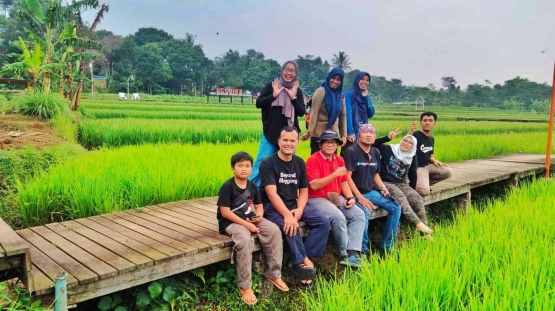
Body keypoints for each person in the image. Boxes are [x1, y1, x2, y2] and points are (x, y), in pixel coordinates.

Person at [260, 126, 330, 289]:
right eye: (285, 140)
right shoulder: (268, 164)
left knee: (323, 222)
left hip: (293, 204)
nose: (288, 143)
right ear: (279, 141)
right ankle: (304, 264)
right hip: (273, 207)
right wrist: (288, 216)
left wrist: (298, 210)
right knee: (291, 227)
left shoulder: (299, 163)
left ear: (298, 142)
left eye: (292, 140)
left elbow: (304, 191)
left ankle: (299, 258)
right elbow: (271, 194)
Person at [217, 152, 289, 306]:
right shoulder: (227, 186)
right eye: (240, 166)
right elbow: (225, 212)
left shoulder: (253, 186)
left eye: (247, 166)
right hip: (230, 222)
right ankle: (245, 286)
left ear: (251, 168)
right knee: (244, 239)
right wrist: (247, 225)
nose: (244, 169)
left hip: (250, 218)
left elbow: (259, 205)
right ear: (233, 168)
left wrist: (260, 216)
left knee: (274, 230)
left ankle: (274, 273)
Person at [305, 130, 366, 267]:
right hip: (316, 198)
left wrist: (350, 197)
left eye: (333, 142)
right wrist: (334, 174)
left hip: (336, 196)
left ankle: (353, 251)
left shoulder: (339, 160)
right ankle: (344, 254)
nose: (330, 145)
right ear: (320, 145)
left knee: (359, 214)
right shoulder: (313, 160)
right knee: (337, 216)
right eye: (326, 142)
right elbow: (314, 186)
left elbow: (344, 182)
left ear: (337, 145)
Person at [344, 124, 401, 255]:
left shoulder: (375, 152)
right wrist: (359, 198)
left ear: (375, 136)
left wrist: (383, 188)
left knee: (396, 207)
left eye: (372, 133)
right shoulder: (351, 152)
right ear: (359, 135)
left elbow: (376, 174)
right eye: (365, 132)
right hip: (355, 193)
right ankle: (363, 249)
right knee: (365, 213)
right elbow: (347, 178)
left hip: (370, 192)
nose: (369, 135)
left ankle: (387, 246)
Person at [250, 61, 306, 186]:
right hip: (270, 132)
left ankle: (285, 193)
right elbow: (259, 103)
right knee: (261, 162)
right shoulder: (271, 86)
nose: (289, 73)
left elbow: (301, 112)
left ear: (296, 73)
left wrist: (293, 98)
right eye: (286, 69)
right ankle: (248, 192)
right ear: (282, 70)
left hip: (289, 136)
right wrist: (274, 95)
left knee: (287, 165)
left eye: (292, 71)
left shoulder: (298, 91)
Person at [377, 134, 433, 234]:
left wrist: (411, 191)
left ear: (413, 146)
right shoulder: (389, 149)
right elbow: (374, 144)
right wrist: (387, 138)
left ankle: (424, 232)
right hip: (383, 182)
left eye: (410, 143)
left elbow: (413, 175)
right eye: (405, 140)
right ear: (401, 141)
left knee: (417, 198)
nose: (406, 143)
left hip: (399, 183)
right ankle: (418, 225)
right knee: (401, 198)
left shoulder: (411, 156)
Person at [300, 68, 347, 154]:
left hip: (333, 135)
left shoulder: (341, 96)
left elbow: (343, 116)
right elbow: (314, 112)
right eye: (333, 78)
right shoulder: (321, 91)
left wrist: (344, 135)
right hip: (319, 135)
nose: (335, 81)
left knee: (331, 164)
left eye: (338, 79)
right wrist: (309, 133)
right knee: (317, 163)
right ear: (329, 77)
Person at [411, 112, 453, 196]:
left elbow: (430, 156)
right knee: (424, 192)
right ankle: (415, 185)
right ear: (421, 122)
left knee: (448, 171)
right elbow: (406, 142)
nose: (427, 123)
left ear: (434, 123)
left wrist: (434, 160)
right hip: (418, 168)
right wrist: (411, 131)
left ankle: (422, 183)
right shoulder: (416, 135)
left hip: (427, 167)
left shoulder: (431, 138)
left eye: (430, 120)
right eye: (425, 120)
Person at [341, 71, 375, 157]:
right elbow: (346, 113)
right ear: (357, 80)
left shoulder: (365, 95)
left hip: (362, 134)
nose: (365, 82)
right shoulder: (349, 94)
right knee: (348, 160)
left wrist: (366, 97)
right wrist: (350, 132)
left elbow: (370, 113)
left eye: (367, 80)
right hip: (351, 135)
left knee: (359, 161)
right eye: (362, 79)